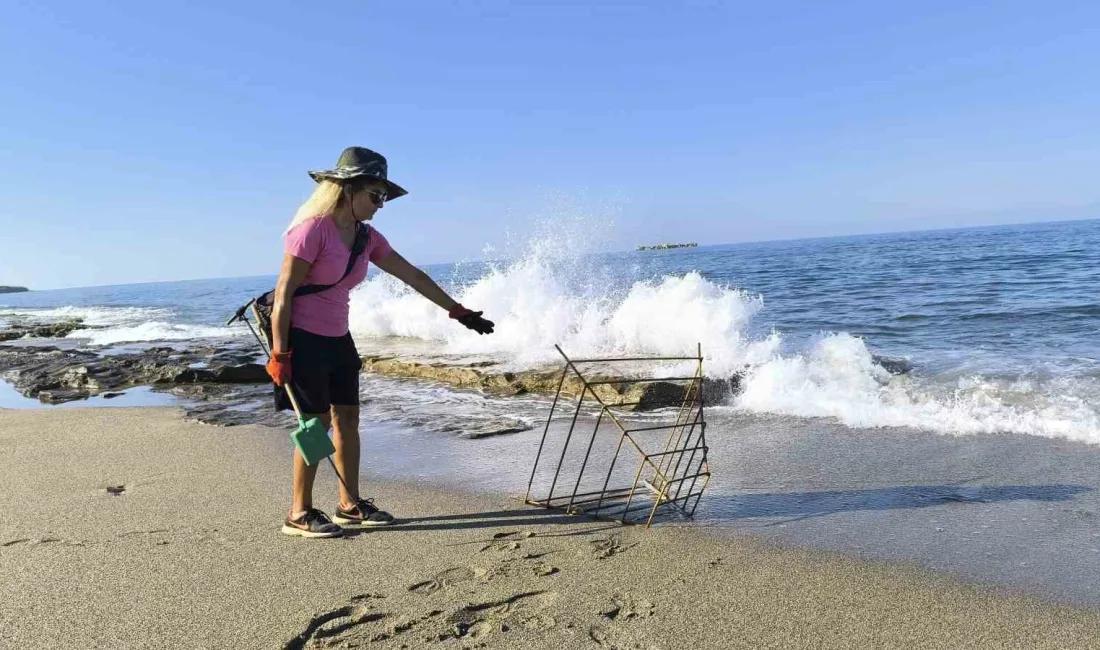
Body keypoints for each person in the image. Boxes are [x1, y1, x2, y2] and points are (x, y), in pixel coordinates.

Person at [266, 146, 494, 538]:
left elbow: (413, 275)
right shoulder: (311, 230)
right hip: (302, 340)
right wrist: (280, 352)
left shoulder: (365, 237)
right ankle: (298, 512)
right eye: (375, 195)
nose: (381, 204)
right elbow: (283, 294)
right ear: (347, 189)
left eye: (384, 197)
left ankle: (349, 505)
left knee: (348, 419)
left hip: (339, 338)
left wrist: (459, 311)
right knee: (314, 425)